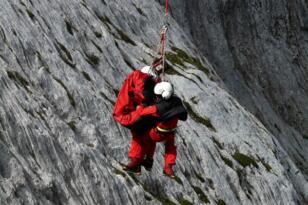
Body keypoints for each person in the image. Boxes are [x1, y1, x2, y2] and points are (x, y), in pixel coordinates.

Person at [123, 82, 188, 178]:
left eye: (157, 96)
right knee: (170, 147)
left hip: (157, 134)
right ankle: (168, 167)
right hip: (171, 132)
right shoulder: (177, 101)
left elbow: (143, 112)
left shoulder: (158, 108)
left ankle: (136, 162)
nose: (156, 98)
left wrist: (140, 106)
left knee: (142, 137)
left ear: (163, 95)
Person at [113, 57, 164, 173]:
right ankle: (146, 159)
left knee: (139, 133)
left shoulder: (139, 77)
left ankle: (138, 160)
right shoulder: (156, 84)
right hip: (149, 112)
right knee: (146, 133)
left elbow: (134, 94)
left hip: (136, 112)